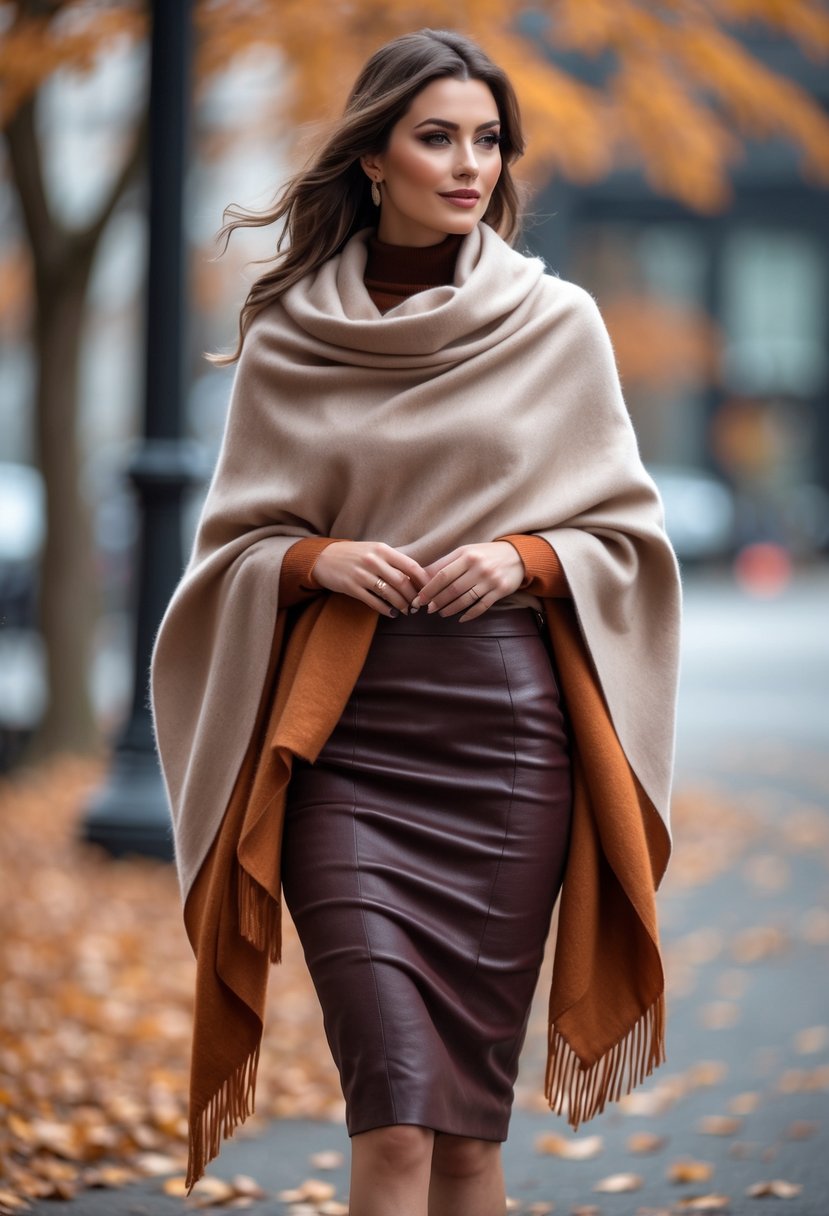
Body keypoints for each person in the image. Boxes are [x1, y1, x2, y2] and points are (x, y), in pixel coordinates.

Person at [150, 28, 681, 1216]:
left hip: (506, 748)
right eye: (437, 137)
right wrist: (317, 560)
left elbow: (628, 537)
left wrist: (524, 557)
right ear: (372, 157)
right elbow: (232, 549)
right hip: (343, 750)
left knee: (466, 1136)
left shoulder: (557, 322)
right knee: (390, 1114)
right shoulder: (289, 329)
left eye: (488, 141)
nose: (468, 165)